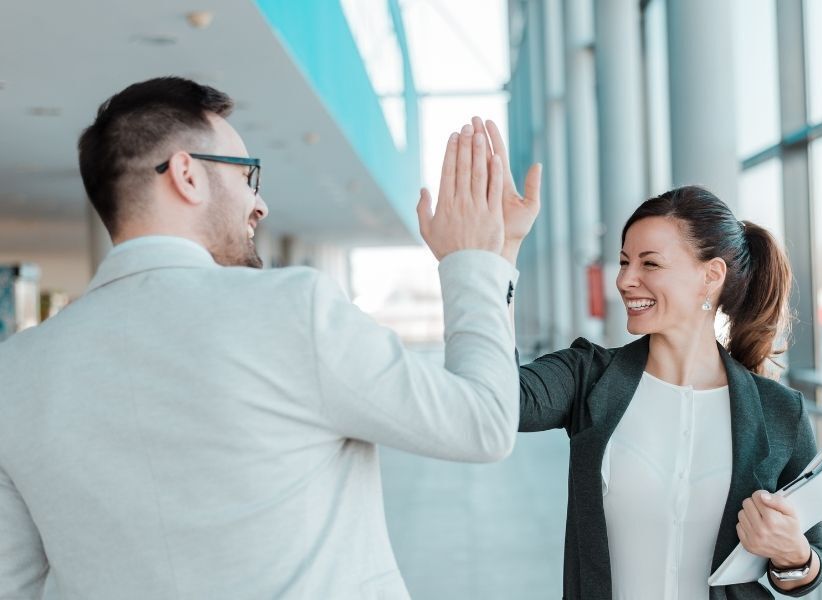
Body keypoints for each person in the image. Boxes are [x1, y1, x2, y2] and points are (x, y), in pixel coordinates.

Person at [0, 77, 540, 599]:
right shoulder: (290, 310)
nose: (260, 205)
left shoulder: (15, 372)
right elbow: (482, 424)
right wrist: (477, 260)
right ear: (186, 175)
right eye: (247, 175)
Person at [502, 182, 822, 599]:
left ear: (710, 277)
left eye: (649, 264)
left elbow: (808, 566)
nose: (624, 280)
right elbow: (501, 400)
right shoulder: (588, 375)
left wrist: (792, 553)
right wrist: (504, 254)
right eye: (623, 262)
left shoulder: (780, 412)